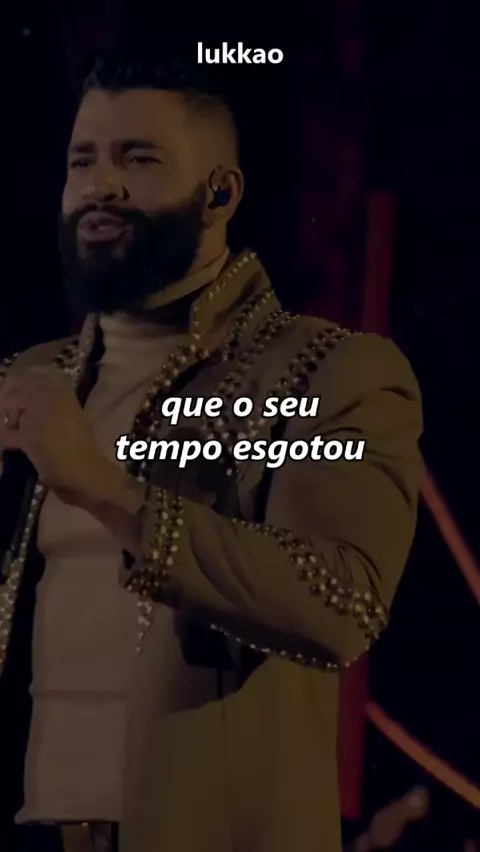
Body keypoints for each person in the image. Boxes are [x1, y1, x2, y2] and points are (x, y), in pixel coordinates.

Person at [0, 51, 423, 852]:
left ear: (221, 193)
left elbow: (342, 602)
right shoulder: (30, 380)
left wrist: (108, 491)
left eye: (139, 158)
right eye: (82, 161)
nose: (100, 185)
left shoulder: (326, 372)